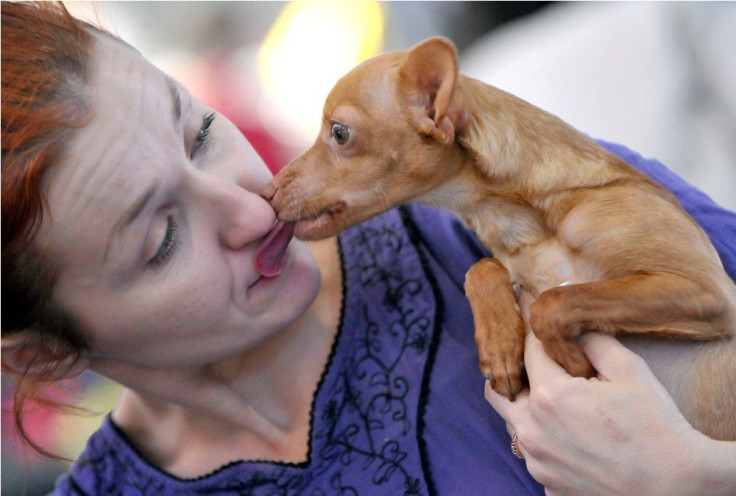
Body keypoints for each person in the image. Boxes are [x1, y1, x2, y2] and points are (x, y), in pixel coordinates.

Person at [1, 3, 734, 495]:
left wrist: (696, 476)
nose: (252, 210)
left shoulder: (488, 202)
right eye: (162, 239)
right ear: (41, 353)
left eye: (199, 132)